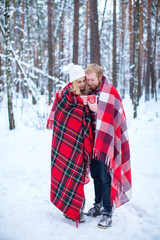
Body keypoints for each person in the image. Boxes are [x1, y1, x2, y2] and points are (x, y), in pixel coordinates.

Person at [85, 64, 132, 229]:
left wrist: (97, 109)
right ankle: (97, 205)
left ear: (99, 77)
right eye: (87, 79)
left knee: (106, 178)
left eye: (92, 79)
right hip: (92, 143)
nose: (89, 82)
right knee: (96, 176)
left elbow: (116, 118)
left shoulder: (110, 92)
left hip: (106, 143)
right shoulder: (87, 92)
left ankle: (107, 211)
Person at [46, 64, 93, 226]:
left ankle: (78, 207)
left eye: (82, 81)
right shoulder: (65, 97)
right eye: (78, 82)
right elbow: (63, 120)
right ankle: (69, 209)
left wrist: (84, 104)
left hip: (79, 143)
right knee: (67, 175)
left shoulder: (85, 95)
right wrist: (81, 104)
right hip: (66, 145)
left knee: (77, 175)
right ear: (72, 82)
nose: (81, 84)